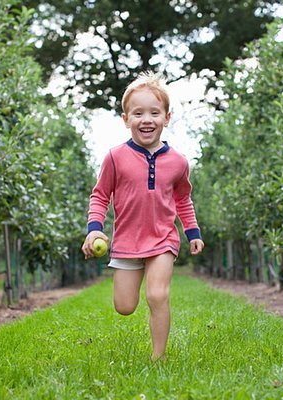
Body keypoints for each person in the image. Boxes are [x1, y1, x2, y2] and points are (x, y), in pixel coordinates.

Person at [81, 71, 204, 361]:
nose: (146, 119)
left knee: (157, 295)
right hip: (127, 240)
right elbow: (100, 195)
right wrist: (94, 229)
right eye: (138, 113)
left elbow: (183, 198)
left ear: (167, 118)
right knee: (124, 306)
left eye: (154, 113)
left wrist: (192, 231)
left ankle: (158, 357)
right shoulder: (115, 157)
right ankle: (147, 336)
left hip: (163, 238)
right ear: (126, 119)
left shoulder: (178, 162)